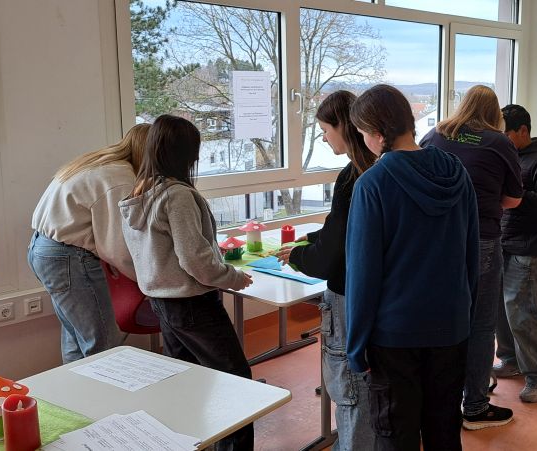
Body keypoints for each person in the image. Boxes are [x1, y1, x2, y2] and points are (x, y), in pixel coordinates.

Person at [345, 84, 479, 450]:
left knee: (395, 436)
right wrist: (464, 316)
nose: (364, 140)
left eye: (362, 132)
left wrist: (356, 346)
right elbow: (471, 255)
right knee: (445, 432)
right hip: (451, 326)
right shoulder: (456, 172)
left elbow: (363, 275)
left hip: (395, 334)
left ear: (377, 132)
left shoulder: (372, 185)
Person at [118, 114, 255, 451]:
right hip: (192, 303)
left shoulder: (140, 193)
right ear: (188, 154)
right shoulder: (177, 195)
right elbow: (195, 261)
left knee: (186, 381)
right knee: (237, 383)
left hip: (162, 302)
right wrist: (233, 278)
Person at [275, 90, 378, 450]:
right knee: (368, 386)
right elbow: (346, 229)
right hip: (380, 297)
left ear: (344, 127)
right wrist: (310, 238)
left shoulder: (353, 177)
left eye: (324, 130)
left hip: (349, 296)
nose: (323, 138)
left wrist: (299, 256)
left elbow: (328, 258)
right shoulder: (380, 169)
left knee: (349, 386)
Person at [420, 85, 522, 429]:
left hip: (436, 240)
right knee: (480, 325)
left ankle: (435, 398)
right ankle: (475, 406)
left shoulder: (435, 135)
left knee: (438, 318)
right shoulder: (499, 142)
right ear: (494, 113)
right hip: (481, 239)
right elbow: (513, 200)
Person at [28, 123, 150, 364]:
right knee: (103, 345)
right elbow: (117, 249)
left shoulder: (97, 163)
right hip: (68, 258)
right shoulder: (120, 179)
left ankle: (75, 388)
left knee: (76, 338)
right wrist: (149, 281)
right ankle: (104, 390)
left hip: (41, 249)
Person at [493, 104, 537, 403]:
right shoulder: (511, 155)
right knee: (502, 310)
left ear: (523, 131)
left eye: (505, 134)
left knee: (526, 314)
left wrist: (515, 198)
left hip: (531, 249)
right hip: (506, 242)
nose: (502, 140)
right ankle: (511, 360)